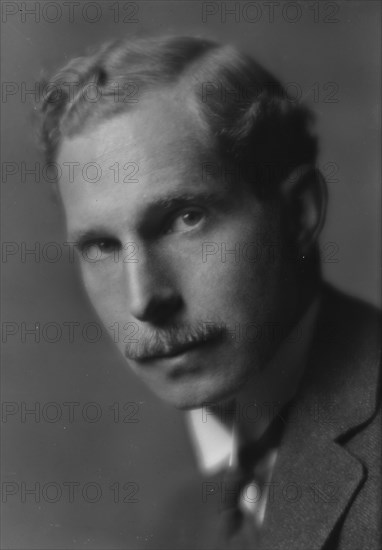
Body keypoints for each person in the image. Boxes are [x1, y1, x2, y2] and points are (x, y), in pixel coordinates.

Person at [39, 35, 381, 549]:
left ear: (300, 213)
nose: (143, 299)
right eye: (102, 246)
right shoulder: (184, 523)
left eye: (185, 218)